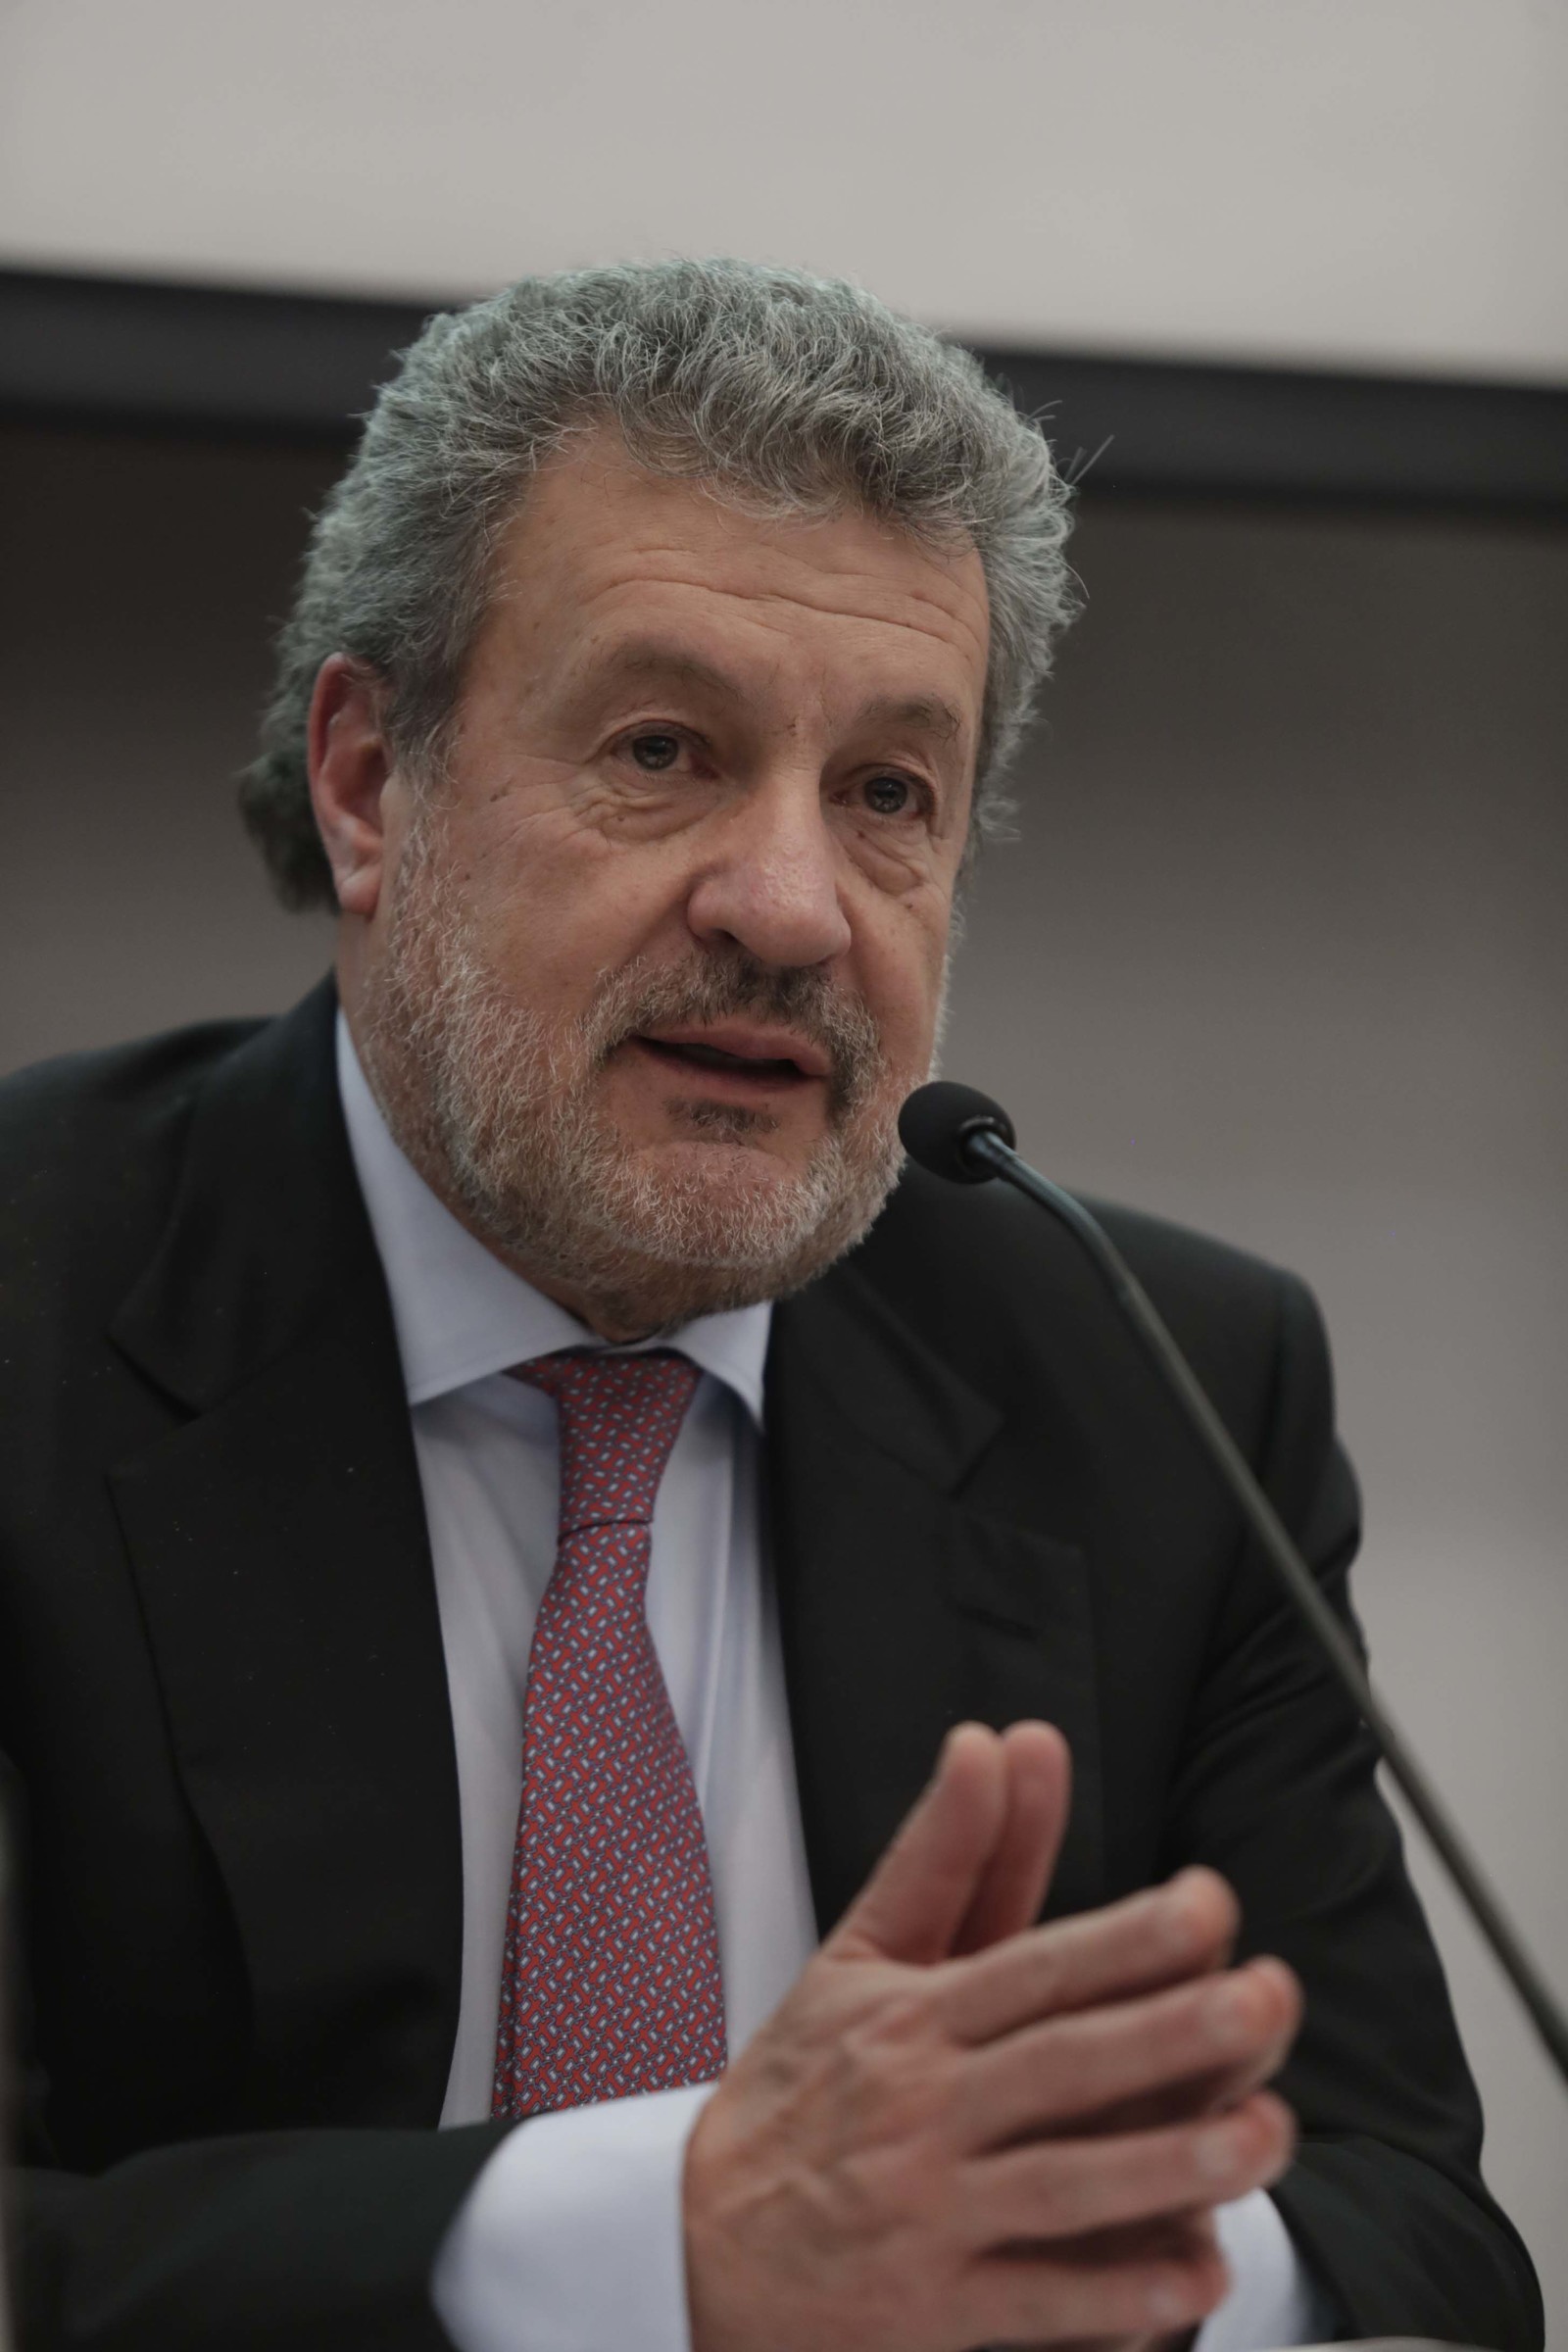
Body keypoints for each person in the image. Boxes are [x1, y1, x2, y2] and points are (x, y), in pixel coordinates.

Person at [0, 261, 1541, 2352]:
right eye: (662, 751)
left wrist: (1056, 2251)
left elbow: (1413, 2236)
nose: (793, 908)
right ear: (368, 784)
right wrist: (663, 2242)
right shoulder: (35, 1304)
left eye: (889, 794)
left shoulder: (1161, 1383)